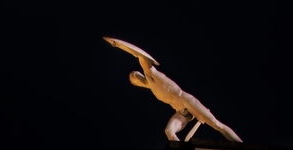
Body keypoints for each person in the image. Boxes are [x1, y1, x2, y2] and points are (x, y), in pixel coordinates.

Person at [104, 38, 242, 143]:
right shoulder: (152, 89)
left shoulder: (152, 75)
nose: (133, 76)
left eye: (134, 74)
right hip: (181, 112)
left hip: (187, 101)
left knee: (217, 125)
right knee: (169, 131)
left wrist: (120, 45)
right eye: (132, 78)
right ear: (136, 84)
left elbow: (141, 56)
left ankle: (241, 146)